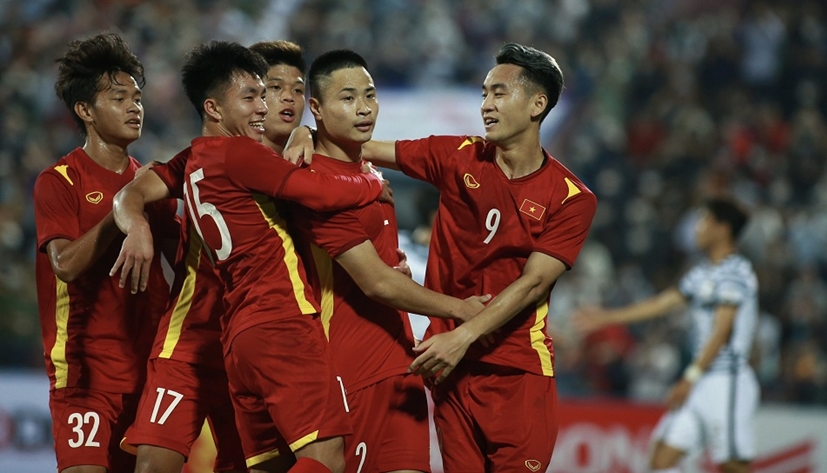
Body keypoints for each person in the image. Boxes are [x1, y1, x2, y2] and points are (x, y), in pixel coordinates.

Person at [289, 43, 597, 471]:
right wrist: (305, 132)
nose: (486, 105)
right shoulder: (459, 156)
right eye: (484, 94)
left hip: (515, 370)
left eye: (500, 94)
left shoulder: (571, 198)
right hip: (449, 370)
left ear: (537, 104)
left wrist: (461, 334)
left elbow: (533, 284)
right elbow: (357, 146)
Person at [115, 40, 386, 473]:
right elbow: (133, 193)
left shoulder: (226, 158)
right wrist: (137, 225)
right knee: (324, 455)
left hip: (238, 333)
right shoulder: (239, 155)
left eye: (291, 90)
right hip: (235, 327)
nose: (274, 102)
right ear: (216, 107)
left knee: (256, 465)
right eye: (262, 91)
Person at [289, 49, 490, 473]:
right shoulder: (313, 183)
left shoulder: (368, 172)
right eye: (347, 98)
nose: (364, 108)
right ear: (317, 109)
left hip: (400, 362)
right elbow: (376, 283)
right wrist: (460, 310)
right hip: (345, 370)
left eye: (370, 95)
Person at [33, 33, 177, 473]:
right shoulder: (59, 181)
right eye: (119, 98)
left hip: (149, 373)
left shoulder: (152, 184)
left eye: (137, 97)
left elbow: (192, 262)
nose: (135, 107)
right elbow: (66, 265)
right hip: (84, 374)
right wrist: (123, 214)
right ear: (85, 111)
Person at [575, 197, 758, 473]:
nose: (697, 228)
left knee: (734, 466)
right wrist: (607, 317)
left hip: (727, 379)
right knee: (661, 460)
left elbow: (723, 331)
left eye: (703, 220)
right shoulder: (702, 274)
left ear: (722, 229)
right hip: (701, 380)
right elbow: (661, 304)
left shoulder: (736, 272)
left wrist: (690, 377)